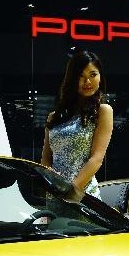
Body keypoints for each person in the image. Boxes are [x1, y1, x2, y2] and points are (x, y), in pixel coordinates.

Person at [40, 50, 113, 199]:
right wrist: (51, 183)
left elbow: (97, 158)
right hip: (55, 196)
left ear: (100, 77)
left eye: (93, 75)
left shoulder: (103, 111)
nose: (87, 82)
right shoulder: (54, 117)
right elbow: (46, 159)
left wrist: (71, 190)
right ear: (72, 79)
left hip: (82, 197)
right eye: (81, 76)